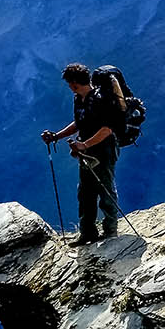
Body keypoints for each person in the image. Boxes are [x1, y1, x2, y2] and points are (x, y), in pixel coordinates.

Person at [41, 63, 126, 244]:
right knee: (85, 192)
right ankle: (88, 233)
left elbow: (107, 129)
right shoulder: (79, 99)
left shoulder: (100, 99)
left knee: (105, 188)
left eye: (69, 83)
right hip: (87, 150)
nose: (69, 87)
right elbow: (79, 122)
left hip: (104, 150)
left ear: (74, 83)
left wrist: (83, 145)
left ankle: (110, 231)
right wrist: (56, 136)